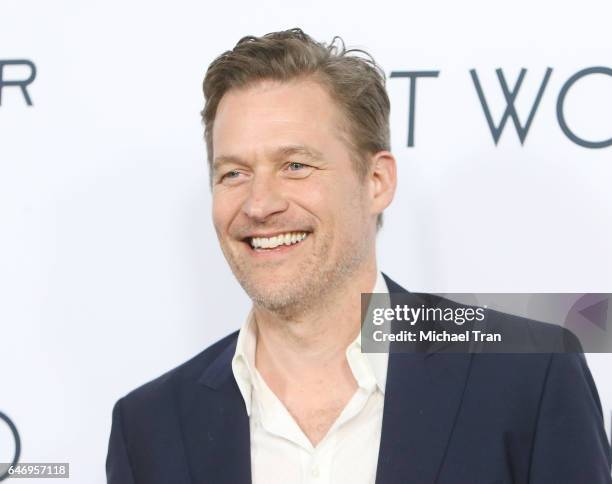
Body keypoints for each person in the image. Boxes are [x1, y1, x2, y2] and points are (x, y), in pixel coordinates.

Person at [106, 28, 611, 483]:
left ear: (377, 181)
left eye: (296, 165)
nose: (259, 204)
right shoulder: (149, 427)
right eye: (233, 173)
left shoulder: (530, 371)